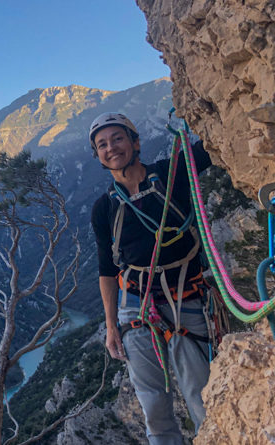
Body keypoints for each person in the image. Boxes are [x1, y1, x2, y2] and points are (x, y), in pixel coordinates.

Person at [89, 112, 213, 445]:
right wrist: (111, 326)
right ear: (98, 155)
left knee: (202, 395)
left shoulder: (172, 173)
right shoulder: (104, 208)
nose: (111, 148)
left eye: (117, 139)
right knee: (153, 407)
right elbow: (106, 269)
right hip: (136, 305)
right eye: (102, 145)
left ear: (135, 142)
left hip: (186, 297)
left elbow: (215, 145)